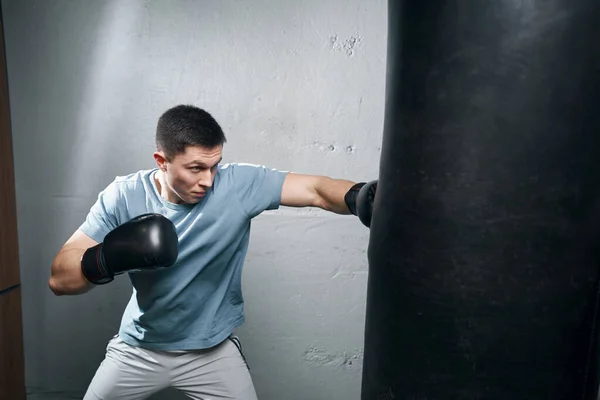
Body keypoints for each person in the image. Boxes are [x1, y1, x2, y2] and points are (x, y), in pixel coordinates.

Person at [48, 104, 377, 400]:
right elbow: (60, 279)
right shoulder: (125, 195)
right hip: (138, 349)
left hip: (211, 352)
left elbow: (316, 189)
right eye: (194, 168)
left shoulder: (237, 185)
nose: (207, 180)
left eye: (214, 166)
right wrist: (106, 258)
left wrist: (362, 197)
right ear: (162, 161)